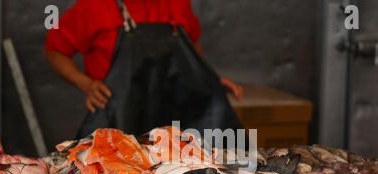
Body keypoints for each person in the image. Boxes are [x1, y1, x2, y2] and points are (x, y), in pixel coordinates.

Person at [45, 0, 244, 138]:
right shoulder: (94, 6)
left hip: (172, 124)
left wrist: (206, 77)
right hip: (118, 123)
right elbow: (55, 50)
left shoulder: (177, 3)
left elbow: (191, 45)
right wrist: (86, 84)